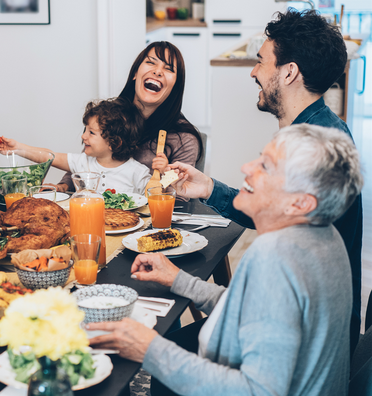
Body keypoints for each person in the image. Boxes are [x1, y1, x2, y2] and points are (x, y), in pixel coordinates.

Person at [89, 124, 363, 395]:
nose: (247, 167)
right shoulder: (326, 236)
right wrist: (179, 279)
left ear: (300, 204)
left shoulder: (277, 256)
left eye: (266, 166)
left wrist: (149, 349)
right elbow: (253, 310)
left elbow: (257, 390)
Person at [168, 9, 364, 353]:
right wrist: (209, 188)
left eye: (261, 61)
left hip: (305, 340)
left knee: (168, 346)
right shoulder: (314, 129)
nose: (254, 72)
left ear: (289, 72)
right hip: (305, 324)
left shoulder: (312, 149)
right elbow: (276, 210)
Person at [56, 41, 203, 192]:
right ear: (135, 73)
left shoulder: (184, 140)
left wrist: (166, 172)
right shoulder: (110, 115)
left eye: (168, 69)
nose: (158, 72)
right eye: (151, 62)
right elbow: (86, 161)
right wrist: (63, 186)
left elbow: (178, 195)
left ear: (175, 86)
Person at [0, 97, 150, 194]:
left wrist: (164, 173)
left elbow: (156, 197)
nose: (83, 136)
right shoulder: (82, 162)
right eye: (85, 130)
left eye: (91, 133)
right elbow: (48, 156)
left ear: (114, 143)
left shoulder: (137, 172)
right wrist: (17, 148)